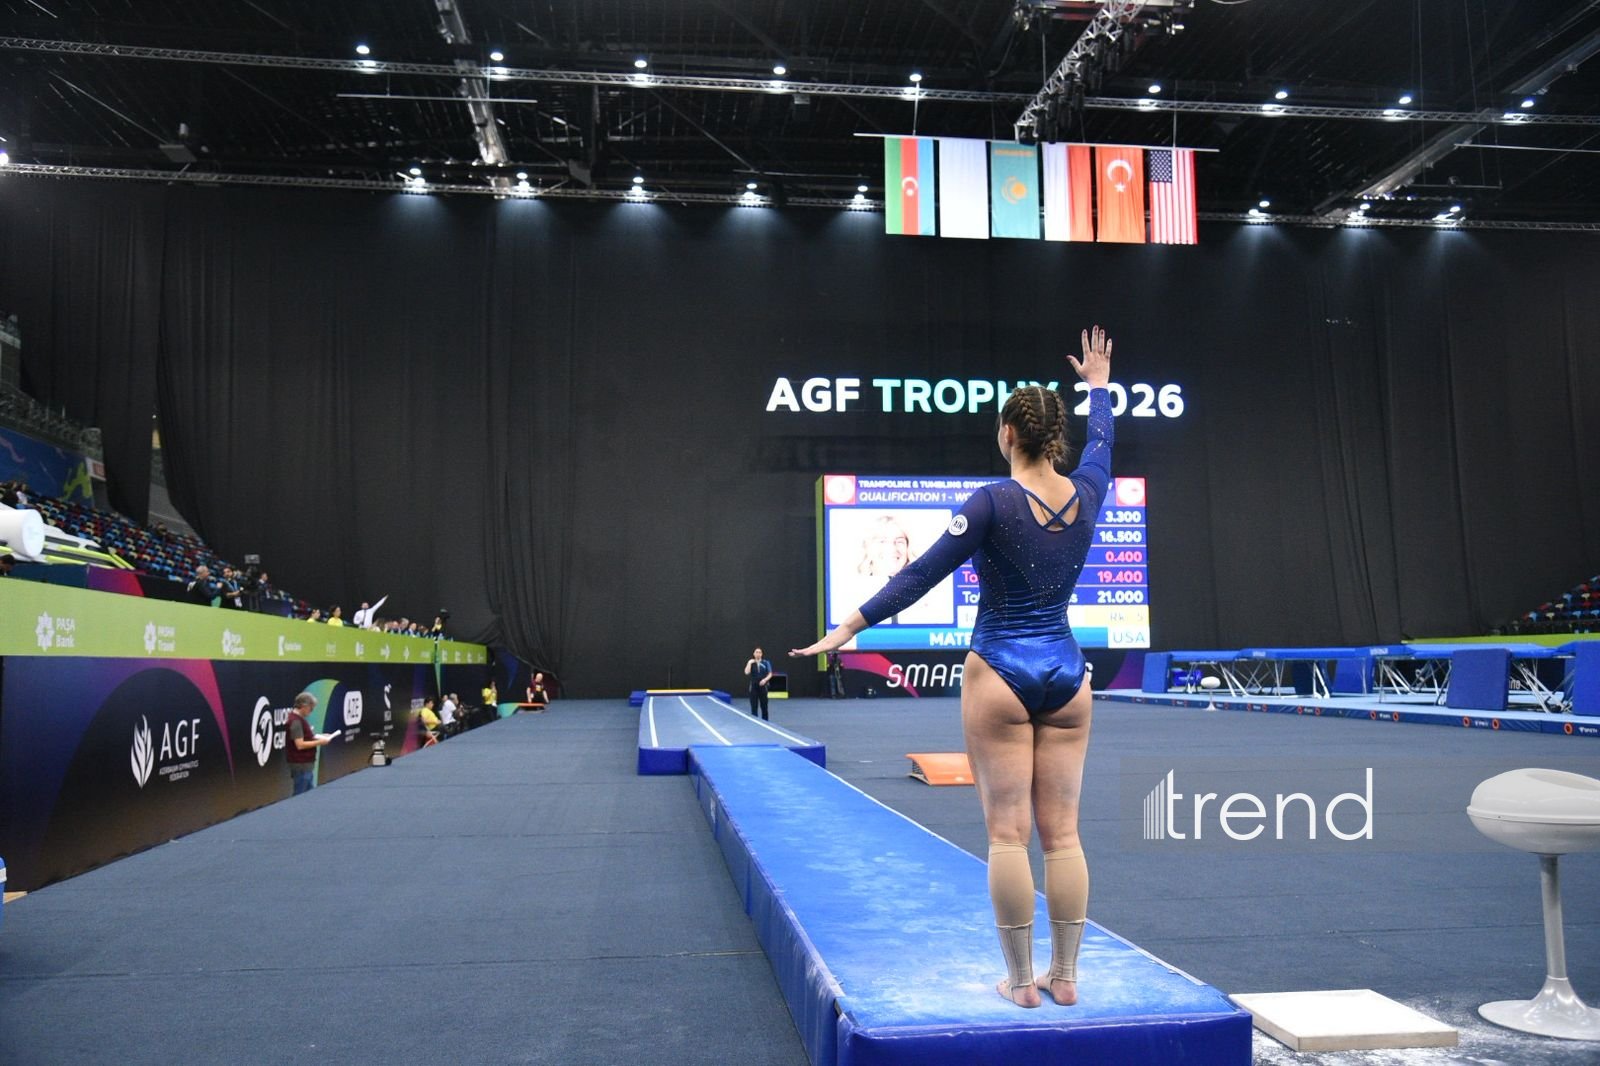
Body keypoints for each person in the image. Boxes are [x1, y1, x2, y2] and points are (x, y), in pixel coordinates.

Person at [793, 326, 1116, 1010]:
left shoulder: (991, 503)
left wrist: (847, 628)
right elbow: (1103, 443)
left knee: (1007, 832)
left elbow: (917, 576)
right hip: (1067, 671)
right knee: (1063, 834)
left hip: (999, 667)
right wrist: (1097, 386)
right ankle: (1067, 978)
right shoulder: (1089, 492)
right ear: (1056, 434)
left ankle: (1021, 982)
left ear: (1007, 434)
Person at [284, 692, 335, 795]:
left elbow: (305, 737)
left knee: (308, 795)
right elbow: (300, 744)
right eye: (311, 708)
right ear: (304, 706)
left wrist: (320, 736)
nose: (312, 711)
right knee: (300, 794)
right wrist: (320, 742)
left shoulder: (298, 720)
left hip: (305, 764)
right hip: (301, 764)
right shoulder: (296, 722)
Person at [744, 647, 773, 720]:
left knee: (764, 706)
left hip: (763, 686)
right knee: (754, 706)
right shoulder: (751, 663)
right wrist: (749, 663)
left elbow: (770, 674)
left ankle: (765, 722)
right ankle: (755, 721)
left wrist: (765, 680)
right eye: (756, 652)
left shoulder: (766, 662)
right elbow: (746, 672)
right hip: (754, 687)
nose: (758, 654)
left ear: (762, 654)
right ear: (754, 654)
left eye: (759, 652)